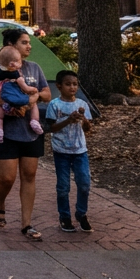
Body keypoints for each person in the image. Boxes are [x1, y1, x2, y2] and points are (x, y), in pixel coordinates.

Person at [0, 27, 51, 241]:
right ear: (11, 46)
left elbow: (46, 92)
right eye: (24, 42)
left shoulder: (34, 69)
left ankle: (26, 224)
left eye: (29, 42)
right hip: (6, 132)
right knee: (7, 177)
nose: (29, 46)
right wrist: (10, 103)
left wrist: (32, 99)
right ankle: (0, 203)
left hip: (31, 131)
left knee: (29, 175)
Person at [46, 70, 93, 233]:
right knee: (63, 186)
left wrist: (84, 119)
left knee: (85, 183)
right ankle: (64, 216)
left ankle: (81, 213)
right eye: (68, 84)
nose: (72, 87)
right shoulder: (54, 105)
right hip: (61, 151)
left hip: (80, 150)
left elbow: (88, 129)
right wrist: (68, 120)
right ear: (59, 86)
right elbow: (51, 128)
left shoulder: (83, 104)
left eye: (75, 84)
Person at [0, 45, 43, 143]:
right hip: (19, 99)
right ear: (12, 64)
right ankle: (34, 120)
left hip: (5, 100)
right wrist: (33, 90)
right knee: (33, 104)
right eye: (19, 61)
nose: (20, 63)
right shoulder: (17, 75)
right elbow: (24, 87)